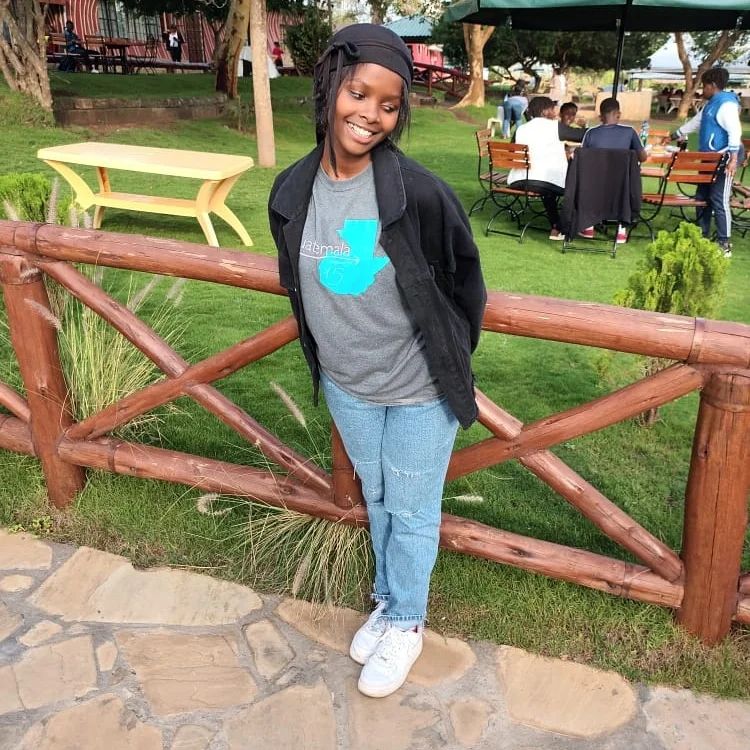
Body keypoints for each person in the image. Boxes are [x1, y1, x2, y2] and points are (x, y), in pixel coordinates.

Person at [268, 24, 486, 699]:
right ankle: (389, 600)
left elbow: (464, 283)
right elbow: (296, 279)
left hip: (419, 387)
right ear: (330, 87)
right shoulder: (291, 190)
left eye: (389, 105)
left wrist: (448, 355)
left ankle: (407, 622)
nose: (370, 115)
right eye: (359, 94)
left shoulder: (419, 193)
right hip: (347, 385)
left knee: (413, 510)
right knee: (382, 498)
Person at [667, 67, 742, 257]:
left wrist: (733, 158)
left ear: (712, 85)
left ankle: (724, 243)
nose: (702, 90)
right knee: (702, 197)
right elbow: (696, 122)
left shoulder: (726, 104)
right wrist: (675, 135)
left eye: (704, 86)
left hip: (724, 157)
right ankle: (702, 236)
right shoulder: (710, 104)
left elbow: (735, 131)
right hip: (708, 158)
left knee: (719, 198)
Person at [508, 95, 584, 240]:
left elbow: (512, 152)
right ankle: (575, 224)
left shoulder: (521, 129)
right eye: (552, 109)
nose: (555, 112)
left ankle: (556, 226)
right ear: (545, 111)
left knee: (546, 188)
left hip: (518, 180)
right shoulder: (555, 127)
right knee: (575, 184)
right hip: (545, 182)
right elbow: (582, 135)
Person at [578, 97, 647, 243]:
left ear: (600, 116)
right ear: (618, 114)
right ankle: (621, 229)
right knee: (626, 182)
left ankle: (588, 226)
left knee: (590, 179)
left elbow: (582, 160)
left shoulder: (590, 133)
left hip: (595, 186)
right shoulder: (630, 132)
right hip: (621, 187)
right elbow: (643, 157)